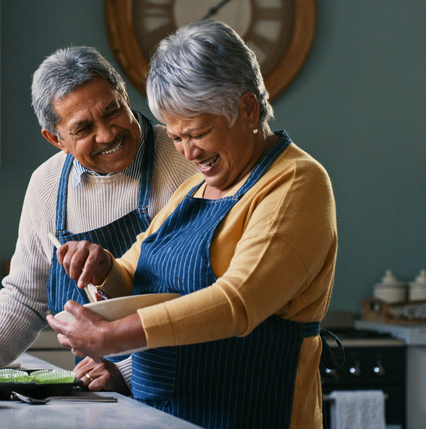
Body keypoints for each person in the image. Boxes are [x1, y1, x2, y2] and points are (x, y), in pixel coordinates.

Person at [47, 20, 340, 429]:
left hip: (253, 415)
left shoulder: (295, 183)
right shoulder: (193, 189)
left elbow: (238, 302)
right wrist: (104, 267)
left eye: (198, 133)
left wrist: (115, 338)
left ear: (247, 108)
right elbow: (132, 273)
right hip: (165, 417)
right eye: (176, 136)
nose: (187, 151)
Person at [0, 46, 197, 381]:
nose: (107, 134)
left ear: (124, 94)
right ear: (55, 139)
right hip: (102, 396)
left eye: (113, 111)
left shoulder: (188, 160)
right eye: (83, 129)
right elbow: (26, 298)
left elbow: (204, 300)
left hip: (186, 380)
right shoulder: (47, 184)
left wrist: (126, 372)